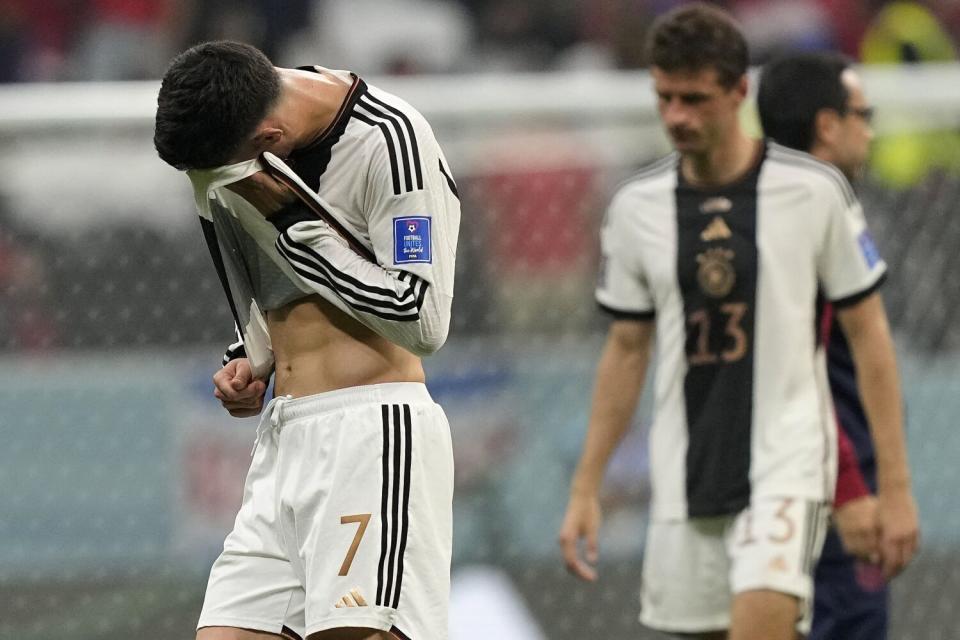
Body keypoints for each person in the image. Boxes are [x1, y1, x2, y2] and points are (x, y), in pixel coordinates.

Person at [557, 4, 919, 640]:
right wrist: (588, 485)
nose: (677, 116)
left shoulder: (813, 192)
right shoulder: (637, 208)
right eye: (664, 97)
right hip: (684, 475)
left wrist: (895, 487)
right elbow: (625, 350)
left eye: (694, 99)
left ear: (739, 92)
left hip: (785, 466)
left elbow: (869, 338)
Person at [154, 41, 460, 640]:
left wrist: (295, 226)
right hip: (284, 441)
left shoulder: (391, 142)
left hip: (372, 434)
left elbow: (422, 317)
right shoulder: (225, 143)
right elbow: (272, 283)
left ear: (267, 137)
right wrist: (252, 355)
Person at [757, 51, 921, 640]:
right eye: (863, 113)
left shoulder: (762, 205)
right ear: (827, 125)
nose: (870, 129)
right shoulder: (809, 215)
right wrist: (853, 490)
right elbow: (806, 366)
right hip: (828, 488)